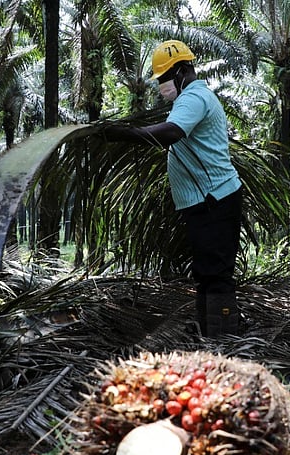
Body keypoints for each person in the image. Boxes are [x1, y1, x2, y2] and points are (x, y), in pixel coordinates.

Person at [104, 39, 243, 337]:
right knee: (208, 273)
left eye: (164, 79)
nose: (161, 86)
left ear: (181, 71)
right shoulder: (189, 98)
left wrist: (123, 134)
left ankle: (225, 340)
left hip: (214, 199)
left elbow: (171, 133)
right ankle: (214, 335)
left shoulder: (193, 98)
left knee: (216, 275)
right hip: (208, 201)